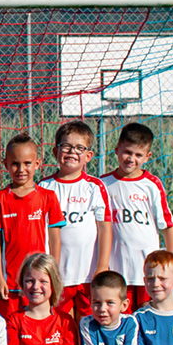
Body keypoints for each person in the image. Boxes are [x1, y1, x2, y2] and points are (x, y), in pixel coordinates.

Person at [0, 133, 65, 318]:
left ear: (37, 164)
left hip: (39, 284)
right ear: (5, 164)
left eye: (27, 163)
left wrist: (53, 275)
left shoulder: (48, 197)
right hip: (10, 284)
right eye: (15, 164)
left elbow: (54, 239)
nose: (21, 169)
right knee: (8, 334)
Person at [38, 120, 111, 319]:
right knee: (62, 325)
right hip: (58, 275)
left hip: (87, 274)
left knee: (88, 324)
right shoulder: (44, 187)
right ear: (55, 151)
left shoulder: (95, 187)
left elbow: (105, 228)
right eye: (67, 146)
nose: (72, 152)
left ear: (88, 156)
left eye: (79, 148)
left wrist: (102, 265)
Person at [102, 122, 173, 311]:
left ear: (147, 156)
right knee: (121, 321)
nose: (131, 159)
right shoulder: (102, 184)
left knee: (149, 319)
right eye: (127, 152)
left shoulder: (151, 184)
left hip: (149, 271)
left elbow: (167, 225)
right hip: (116, 271)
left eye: (138, 155)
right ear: (117, 149)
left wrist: (170, 262)